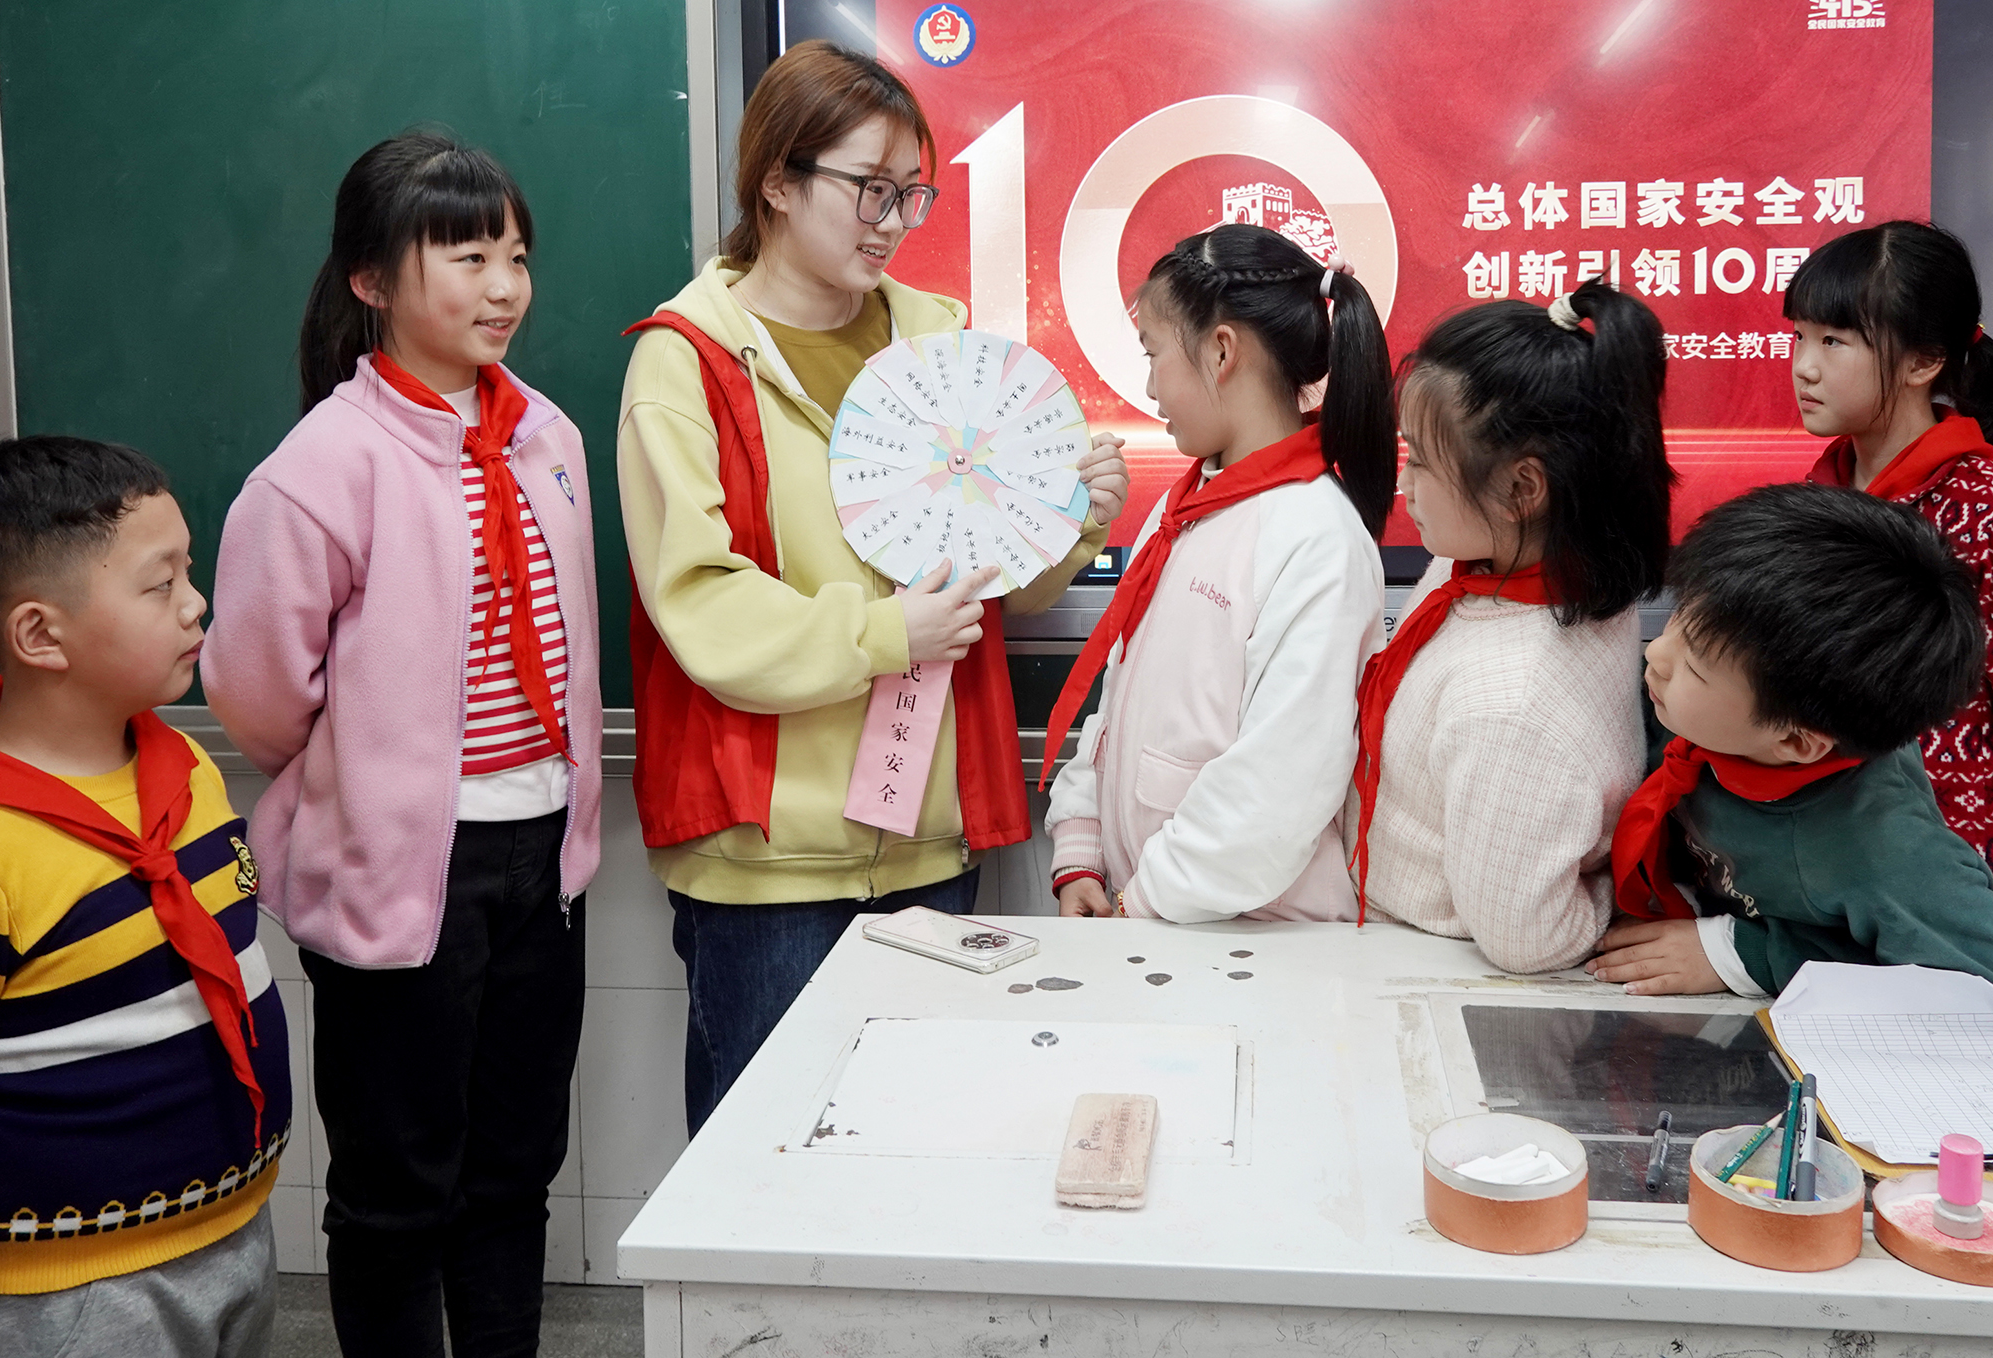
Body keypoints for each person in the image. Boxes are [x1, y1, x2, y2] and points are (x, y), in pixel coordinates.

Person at [618, 40, 1126, 1134]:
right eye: (869, 189)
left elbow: (1005, 586)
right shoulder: (687, 359)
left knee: (918, 1152)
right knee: (769, 1159)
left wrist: (1072, 516)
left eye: (911, 193)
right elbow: (700, 603)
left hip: (929, 844)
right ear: (777, 182)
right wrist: (886, 632)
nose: (893, 221)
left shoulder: (940, 342)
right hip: (771, 863)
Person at [202, 132, 599, 1356]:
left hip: (543, 852)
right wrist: (368, 785)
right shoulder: (322, 466)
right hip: (403, 866)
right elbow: (257, 690)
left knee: (514, 1167)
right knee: (395, 1190)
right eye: (467, 256)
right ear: (372, 279)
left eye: (516, 255)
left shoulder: (548, 435)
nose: (505, 286)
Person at [0, 436, 290, 1357]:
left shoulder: (187, 769)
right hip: (69, 1294)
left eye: (188, 571)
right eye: (159, 585)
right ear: (40, 635)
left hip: (235, 1231)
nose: (196, 603)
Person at [1039, 224, 1393, 923]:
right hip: (1154, 922)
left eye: (1153, 353)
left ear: (1221, 351)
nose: (1149, 385)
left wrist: (1139, 902)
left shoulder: (1317, 537)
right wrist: (1081, 847)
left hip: (1250, 942)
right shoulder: (1185, 507)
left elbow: (1275, 790)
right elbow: (1118, 699)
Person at [1341, 280, 1674, 972]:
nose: (1405, 485)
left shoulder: (1510, 707)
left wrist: (1602, 894)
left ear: (1522, 489)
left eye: (1421, 461)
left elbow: (1526, 940)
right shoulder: (1500, 564)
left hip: (1419, 959)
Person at [1590, 483, 1993, 995]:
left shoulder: (1884, 855)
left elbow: (1975, 975)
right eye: (1679, 616)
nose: (1657, 655)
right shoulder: (1702, 704)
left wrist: (1748, 955)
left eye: (1694, 667)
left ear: (1797, 744)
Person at [1789, 221, 1993, 858]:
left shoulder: (1979, 504)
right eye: (1798, 336)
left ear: (1923, 361)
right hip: (1826, 833)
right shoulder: (1817, 492)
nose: (1804, 367)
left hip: (1945, 849)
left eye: (1833, 341)